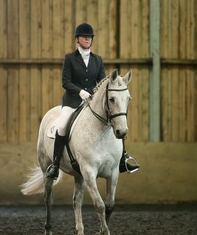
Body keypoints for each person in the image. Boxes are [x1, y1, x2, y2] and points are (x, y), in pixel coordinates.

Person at [46, 23, 140, 179]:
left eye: (89, 37)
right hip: (73, 101)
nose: (87, 39)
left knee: (116, 123)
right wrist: (80, 91)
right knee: (62, 126)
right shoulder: (70, 58)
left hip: (91, 103)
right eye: (84, 37)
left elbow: (102, 82)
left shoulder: (97, 59)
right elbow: (65, 82)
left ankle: (122, 160)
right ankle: (55, 164)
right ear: (77, 39)